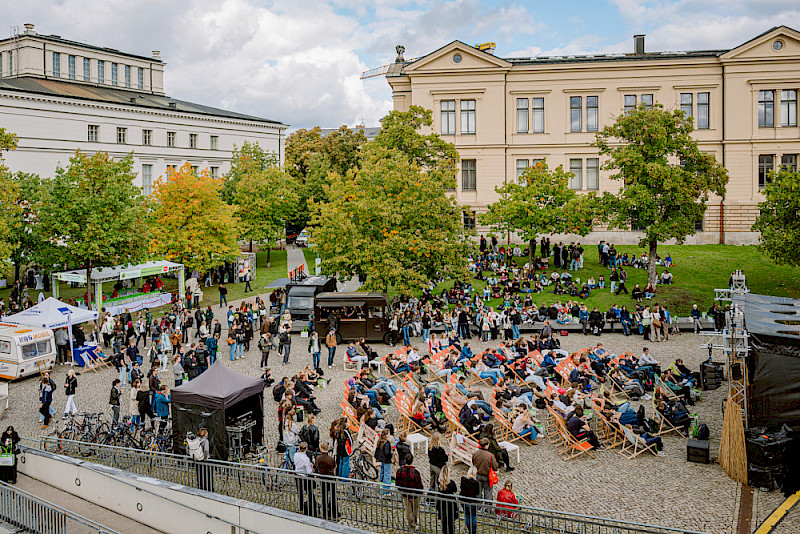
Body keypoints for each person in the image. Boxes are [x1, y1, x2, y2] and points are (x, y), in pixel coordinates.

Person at [395, 453, 423, 530]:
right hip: (414, 494)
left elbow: (397, 483)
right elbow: (419, 485)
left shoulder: (399, 471)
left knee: (408, 510)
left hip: (405, 493)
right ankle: (415, 523)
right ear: (412, 461)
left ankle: (411, 524)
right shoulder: (415, 472)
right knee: (415, 510)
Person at [315, 442, 339, 521]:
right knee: (332, 496)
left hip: (323, 479)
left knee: (324, 496)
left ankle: (325, 513)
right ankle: (334, 512)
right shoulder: (331, 459)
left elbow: (317, 466)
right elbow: (334, 466)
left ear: (321, 449)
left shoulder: (318, 458)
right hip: (331, 479)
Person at [294, 441, 317, 516]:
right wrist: (311, 467)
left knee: (300, 492)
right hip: (304, 477)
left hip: (297, 476)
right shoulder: (306, 459)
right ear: (306, 449)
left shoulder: (296, 455)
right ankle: (312, 506)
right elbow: (309, 471)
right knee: (309, 492)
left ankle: (301, 508)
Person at [436, 464, 459, 534]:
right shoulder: (451, 483)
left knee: (444, 522)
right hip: (450, 505)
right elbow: (455, 490)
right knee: (451, 523)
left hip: (442, 504)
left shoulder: (439, 481)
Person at [472, 438, 496, 502]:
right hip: (487, 476)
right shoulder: (490, 455)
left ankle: (479, 507)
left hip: (478, 474)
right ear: (486, 445)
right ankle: (487, 509)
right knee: (488, 492)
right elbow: (495, 467)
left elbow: (473, 463)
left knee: (478, 492)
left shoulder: (476, 453)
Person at [460, 466, 480, 534]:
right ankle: (473, 531)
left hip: (464, 501)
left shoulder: (463, 480)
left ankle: (469, 529)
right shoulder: (476, 483)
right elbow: (477, 493)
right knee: (473, 516)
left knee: (467, 515)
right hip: (472, 502)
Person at [193, 428, 214, 492]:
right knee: (207, 476)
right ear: (205, 434)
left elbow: (188, 448)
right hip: (205, 461)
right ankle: (208, 489)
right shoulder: (205, 441)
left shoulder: (196, 440)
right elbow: (206, 450)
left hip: (197, 460)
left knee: (200, 476)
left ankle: (201, 488)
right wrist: (205, 457)